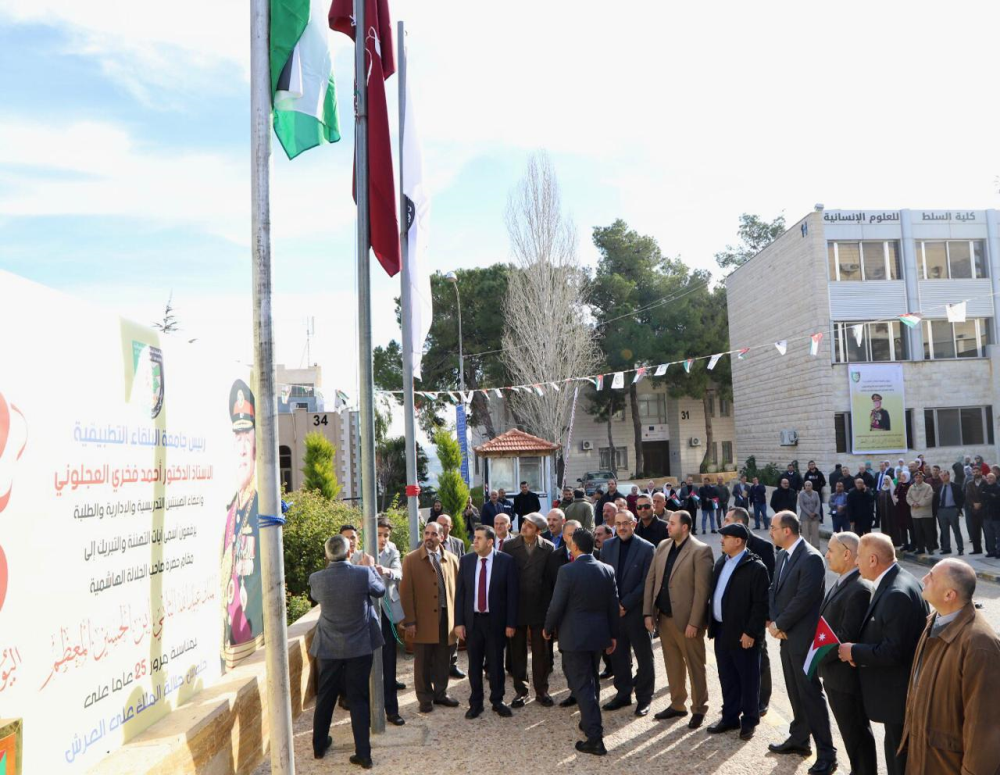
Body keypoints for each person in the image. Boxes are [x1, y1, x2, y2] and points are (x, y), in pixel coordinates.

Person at [838, 533, 927, 775]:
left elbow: (894, 651)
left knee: (899, 759)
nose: (856, 561)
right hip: (897, 692)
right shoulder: (899, 579)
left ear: (873, 559)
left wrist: (854, 651)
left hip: (897, 695)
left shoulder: (896, 592)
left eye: (859, 556)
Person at [900, 559, 1000, 772]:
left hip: (947, 765)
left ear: (949, 595)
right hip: (924, 759)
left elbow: (984, 726)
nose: (923, 579)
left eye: (932, 577)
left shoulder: (979, 644)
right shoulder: (935, 620)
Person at [766, 511, 837, 774]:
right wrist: (774, 622)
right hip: (785, 636)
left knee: (810, 694)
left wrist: (779, 624)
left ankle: (827, 754)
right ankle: (799, 739)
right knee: (794, 690)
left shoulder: (811, 558)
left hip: (803, 638)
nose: (770, 532)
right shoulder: (782, 555)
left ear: (787, 530)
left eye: (773, 527)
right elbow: (774, 590)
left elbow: (804, 599)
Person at [309, 535, 385, 768]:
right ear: (349, 552)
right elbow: (380, 590)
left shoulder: (316, 578)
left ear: (327, 555)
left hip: (328, 646)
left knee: (325, 696)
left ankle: (319, 746)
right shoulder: (363, 574)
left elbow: (316, 597)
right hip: (359, 646)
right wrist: (370, 567)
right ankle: (364, 755)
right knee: (358, 698)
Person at [543, 527, 619, 757]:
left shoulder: (567, 571)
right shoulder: (607, 569)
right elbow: (613, 605)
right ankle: (588, 722)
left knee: (582, 685)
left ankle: (595, 737)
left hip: (574, 637)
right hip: (598, 636)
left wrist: (547, 628)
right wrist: (613, 635)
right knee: (592, 680)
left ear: (574, 546)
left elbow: (556, 604)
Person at [643, 510, 714, 728]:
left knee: (695, 666)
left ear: (684, 527)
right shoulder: (663, 546)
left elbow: (702, 592)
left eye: (672, 523)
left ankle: (699, 708)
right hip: (664, 618)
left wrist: (694, 622)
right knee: (672, 665)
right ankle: (677, 704)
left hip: (687, 622)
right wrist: (648, 612)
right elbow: (651, 580)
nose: (667, 526)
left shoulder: (701, 551)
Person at [819, 533, 877, 775]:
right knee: (850, 735)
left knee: (857, 735)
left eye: (830, 550)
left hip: (845, 678)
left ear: (847, 554)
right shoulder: (843, 581)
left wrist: (818, 656)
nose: (826, 555)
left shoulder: (859, 588)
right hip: (834, 675)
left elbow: (845, 636)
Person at [706, 522, 769, 741]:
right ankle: (730, 717)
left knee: (748, 680)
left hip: (744, 635)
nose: (721, 540)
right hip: (722, 631)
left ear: (738, 541)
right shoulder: (722, 561)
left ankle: (749, 721)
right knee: (727, 677)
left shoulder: (756, 568)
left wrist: (751, 632)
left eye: (725, 537)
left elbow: (761, 605)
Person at [454, 525, 519, 719]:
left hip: (495, 622)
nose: (474, 541)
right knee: (474, 665)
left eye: (479, 538)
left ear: (490, 542)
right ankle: (476, 703)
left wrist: (511, 623)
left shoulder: (506, 561)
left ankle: (497, 701)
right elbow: (460, 594)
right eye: (474, 537)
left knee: (496, 664)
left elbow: (512, 596)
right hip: (473, 622)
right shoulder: (466, 561)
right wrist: (459, 622)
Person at [221, 379, 263, 662]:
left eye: (248, 438)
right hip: (230, 644)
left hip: (250, 641)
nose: (243, 448)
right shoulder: (229, 513)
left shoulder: (261, 508)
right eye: (238, 438)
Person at [400, 522, 460, 713]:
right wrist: (410, 621)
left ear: (442, 537)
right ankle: (425, 698)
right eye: (427, 533)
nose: (429, 537)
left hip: (446, 619)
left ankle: (441, 694)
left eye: (434, 534)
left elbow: (458, 591)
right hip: (422, 620)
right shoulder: (411, 559)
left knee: (443, 659)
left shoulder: (452, 559)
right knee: (423, 662)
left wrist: (459, 621)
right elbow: (405, 593)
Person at [600, 510, 655, 716]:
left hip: (636, 612)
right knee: (618, 656)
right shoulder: (607, 546)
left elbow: (647, 582)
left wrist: (625, 604)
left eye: (626, 523)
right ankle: (623, 694)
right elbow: (603, 577)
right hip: (614, 612)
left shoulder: (647, 548)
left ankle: (644, 698)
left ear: (634, 524)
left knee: (644, 657)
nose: (622, 527)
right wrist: (613, 605)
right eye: (618, 524)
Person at [723, 508, 774, 715]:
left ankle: (762, 699)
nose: (724, 524)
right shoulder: (728, 544)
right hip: (734, 614)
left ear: (740, 523)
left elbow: (769, 583)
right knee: (737, 659)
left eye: (728, 520)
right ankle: (742, 699)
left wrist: (767, 616)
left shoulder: (763, 547)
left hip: (755, 613)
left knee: (760, 655)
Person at [502, 513, 555, 707]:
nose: (524, 527)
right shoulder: (509, 546)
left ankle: (542, 690)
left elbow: (550, 580)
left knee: (541, 652)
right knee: (517, 651)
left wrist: (550, 611)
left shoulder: (548, 548)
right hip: (517, 606)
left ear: (538, 531)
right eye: (524, 523)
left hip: (539, 607)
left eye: (530, 526)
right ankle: (521, 691)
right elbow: (505, 578)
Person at [544, 519, 582, 706]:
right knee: (567, 657)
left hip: (585, 617)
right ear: (564, 537)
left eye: (577, 534)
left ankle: (587, 695)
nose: (574, 538)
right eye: (571, 534)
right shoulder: (554, 557)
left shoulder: (596, 555)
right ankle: (574, 691)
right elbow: (549, 587)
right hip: (564, 618)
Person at [373, 519, 406, 726]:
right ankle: (370, 711)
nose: (383, 539)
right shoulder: (361, 552)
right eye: (379, 534)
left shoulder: (392, 551)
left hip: (387, 613)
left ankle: (392, 711)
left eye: (386, 535)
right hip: (367, 614)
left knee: (389, 663)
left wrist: (386, 571)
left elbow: (399, 573)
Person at [933, 470, 964, 555]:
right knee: (944, 530)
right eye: (941, 476)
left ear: (949, 476)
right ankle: (946, 548)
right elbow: (936, 499)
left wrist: (958, 508)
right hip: (941, 510)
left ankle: (960, 548)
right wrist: (937, 510)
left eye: (945, 475)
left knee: (956, 530)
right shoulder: (939, 487)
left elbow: (961, 497)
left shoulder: (955, 486)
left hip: (952, 510)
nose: (943, 477)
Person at [906, 471, 937, 554]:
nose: (918, 479)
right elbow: (908, 497)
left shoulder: (928, 487)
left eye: (920, 477)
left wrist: (919, 504)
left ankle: (930, 548)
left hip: (925, 513)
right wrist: (913, 503)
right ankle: (920, 549)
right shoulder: (911, 487)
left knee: (928, 532)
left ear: (923, 478)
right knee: (918, 532)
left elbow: (929, 497)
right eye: (916, 477)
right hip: (915, 513)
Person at [964, 468, 987, 555]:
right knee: (975, 531)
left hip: (984, 510)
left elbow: (987, 496)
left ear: (981, 472)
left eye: (977, 472)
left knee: (987, 531)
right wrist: (973, 504)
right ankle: (977, 549)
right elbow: (968, 496)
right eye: (974, 472)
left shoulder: (985, 483)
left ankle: (990, 549)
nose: (976, 473)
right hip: (973, 510)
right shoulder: (969, 484)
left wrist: (981, 503)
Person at [876, 475, 900, 547]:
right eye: (884, 479)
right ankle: (886, 542)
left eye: (887, 479)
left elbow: (895, 499)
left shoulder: (893, 488)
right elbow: (879, 499)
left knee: (893, 525)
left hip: (892, 510)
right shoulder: (882, 488)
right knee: (885, 525)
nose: (885, 481)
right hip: (883, 510)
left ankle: (895, 541)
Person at [797, 480, 821, 548]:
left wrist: (815, 512)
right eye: (806, 485)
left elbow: (818, 503)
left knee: (815, 532)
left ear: (812, 486)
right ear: (804, 486)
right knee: (805, 533)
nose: (807, 487)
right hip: (805, 516)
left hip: (815, 516)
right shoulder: (801, 494)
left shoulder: (816, 493)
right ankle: (806, 547)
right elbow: (801, 505)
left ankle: (816, 547)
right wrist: (809, 513)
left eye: (809, 485)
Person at [894, 470, 914, 551]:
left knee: (910, 527)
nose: (902, 477)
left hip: (907, 509)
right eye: (901, 476)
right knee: (902, 527)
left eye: (904, 476)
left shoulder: (910, 486)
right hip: (900, 509)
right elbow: (895, 492)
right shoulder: (899, 484)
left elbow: (910, 497)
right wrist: (895, 497)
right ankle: (905, 543)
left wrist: (900, 500)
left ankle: (913, 544)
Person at [983, 472, 1000, 557]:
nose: (989, 480)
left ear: (995, 479)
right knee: (989, 535)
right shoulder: (985, 487)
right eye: (987, 478)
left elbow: (996, 499)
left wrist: (989, 496)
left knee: (998, 534)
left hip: (996, 515)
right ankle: (991, 551)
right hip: (986, 515)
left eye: (991, 478)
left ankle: (999, 551)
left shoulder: (998, 488)